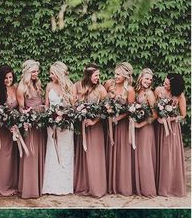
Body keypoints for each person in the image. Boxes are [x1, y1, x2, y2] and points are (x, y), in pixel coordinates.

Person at [42, 61, 75, 195]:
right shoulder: (49, 86)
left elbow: (73, 107)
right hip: (52, 124)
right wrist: (50, 117)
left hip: (66, 125)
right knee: (52, 151)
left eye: (52, 73)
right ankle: (50, 185)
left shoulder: (70, 86)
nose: (50, 76)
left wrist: (64, 116)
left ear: (59, 74)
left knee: (65, 151)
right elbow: (46, 105)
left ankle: (65, 185)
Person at [74, 64, 107, 197]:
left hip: (95, 128)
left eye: (98, 75)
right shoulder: (78, 86)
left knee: (95, 156)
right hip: (82, 127)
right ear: (88, 75)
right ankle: (83, 185)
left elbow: (105, 109)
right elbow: (74, 103)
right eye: (96, 75)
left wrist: (94, 121)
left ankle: (96, 187)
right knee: (82, 155)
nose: (98, 78)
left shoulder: (101, 89)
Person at [17, 59, 45, 199]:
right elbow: (21, 109)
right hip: (30, 125)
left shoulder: (38, 84)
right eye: (33, 71)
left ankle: (39, 185)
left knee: (39, 153)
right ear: (27, 72)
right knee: (31, 155)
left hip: (40, 124)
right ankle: (29, 188)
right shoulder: (22, 88)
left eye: (37, 71)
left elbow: (42, 102)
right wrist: (30, 116)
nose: (36, 73)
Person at [105, 62, 135, 196]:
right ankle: (110, 185)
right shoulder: (109, 85)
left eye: (119, 74)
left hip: (122, 126)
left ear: (125, 76)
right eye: (115, 74)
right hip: (110, 124)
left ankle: (122, 184)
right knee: (110, 151)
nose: (115, 76)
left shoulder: (129, 90)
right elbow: (104, 102)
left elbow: (131, 110)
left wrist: (119, 117)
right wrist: (108, 111)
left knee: (122, 154)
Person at [155, 73, 186, 197]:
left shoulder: (180, 96)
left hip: (171, 129)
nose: (164, 84)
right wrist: (158, 117)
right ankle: (157, 185)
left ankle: (169, 186)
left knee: (169, 155)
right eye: (164, 82)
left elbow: (183, 115)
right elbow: (154, 108)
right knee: (158, 154)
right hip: (158, 127)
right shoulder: (158, 90)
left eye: (167, 84)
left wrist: (169, 120)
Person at [0, 63, 18, 196]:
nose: (9, 80)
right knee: (3, 157)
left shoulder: (15, 88)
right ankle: (2, 187)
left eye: (10, 77)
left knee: (13, 158)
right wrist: (6, 123)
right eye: (6, 78)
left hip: (14, 129)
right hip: (3, 130)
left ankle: (11, 184)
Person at [131, 67, 156, 198]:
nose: (148, 81)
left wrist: (140, 124)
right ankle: (137, 186)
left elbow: (155, 115)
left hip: (145, 129)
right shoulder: (135, 92)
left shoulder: (149, 94)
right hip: (135, 129)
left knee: (145, 158)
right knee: (136, 157)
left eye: (150, 80)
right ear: (141, 78)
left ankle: (147, 189)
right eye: (146, 78)